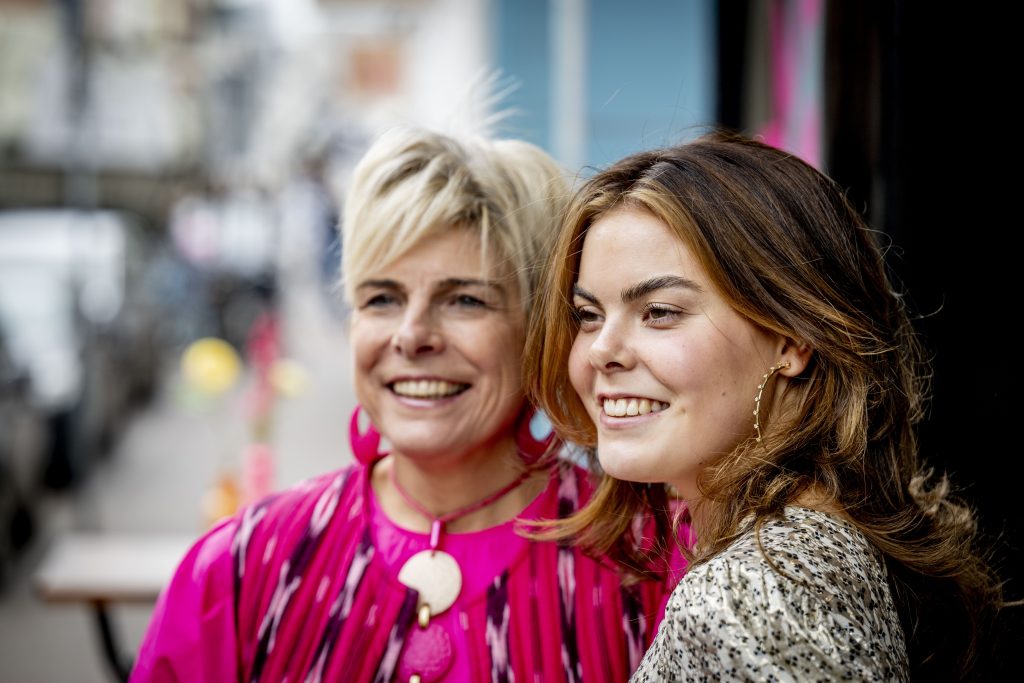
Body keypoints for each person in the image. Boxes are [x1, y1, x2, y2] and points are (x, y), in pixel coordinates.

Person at [130, 125, 682, 683]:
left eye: (465, 300)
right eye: (382, 298)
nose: (411, 336)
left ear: (541, 329)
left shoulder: (649, 561)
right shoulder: (244, 566)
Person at [525, 130, 1004, 682]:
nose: (600, 350)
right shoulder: (811, 549)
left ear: (792, 339)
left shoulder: (744, 596)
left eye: (659, 312)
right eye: (588, 315)